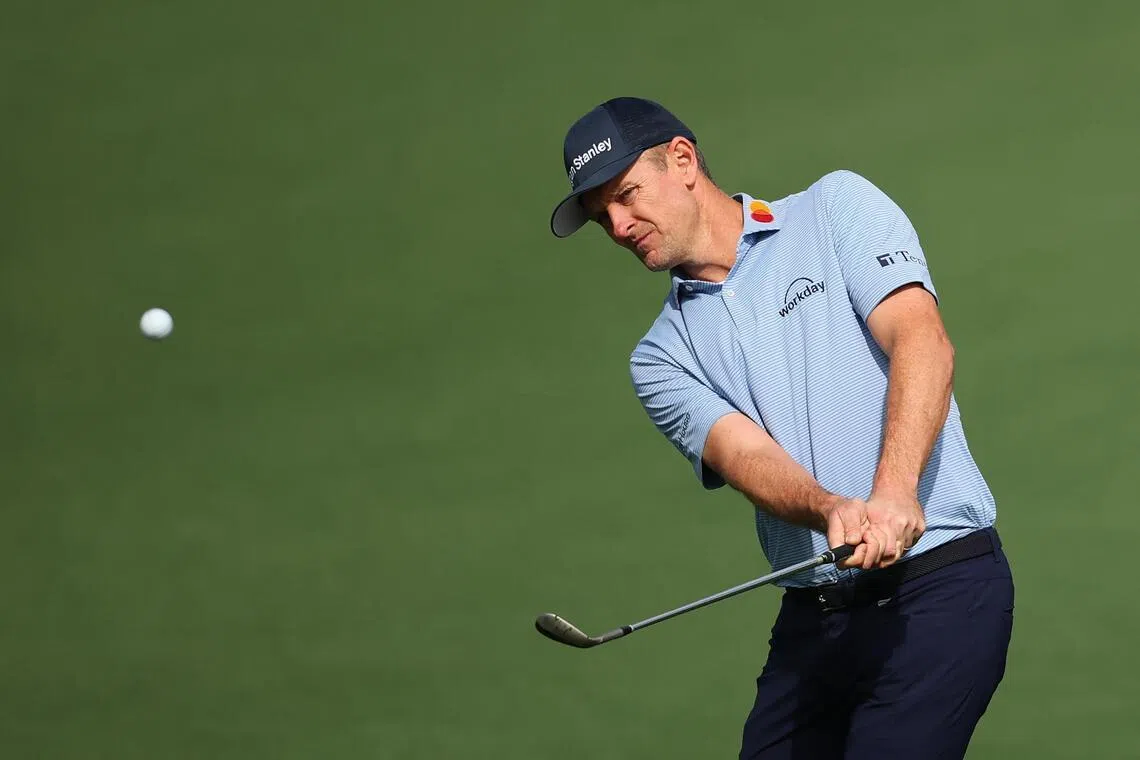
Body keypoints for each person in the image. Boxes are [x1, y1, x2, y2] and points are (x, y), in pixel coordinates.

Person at [548, 96, 1014, 759]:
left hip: (939, 590)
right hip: (814, 624)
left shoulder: (832, 210)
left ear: (681, 159)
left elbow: (923, 343)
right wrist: (831, 509)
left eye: (626, 195)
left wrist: (894, 492)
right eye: (602, 218)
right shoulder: (660, 357)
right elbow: (747, 459)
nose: (620, 225)